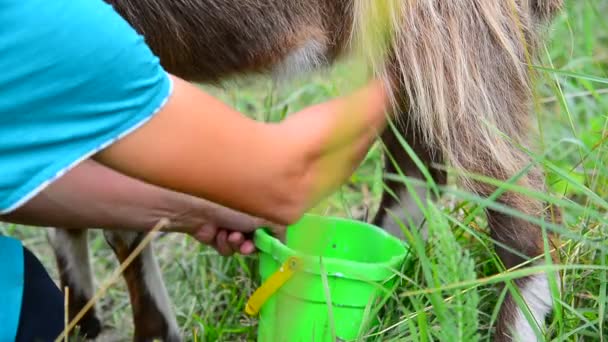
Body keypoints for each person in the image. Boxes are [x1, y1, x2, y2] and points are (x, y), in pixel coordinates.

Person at [0, 0, 391, 340]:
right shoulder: (54, 25)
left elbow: (17, 180)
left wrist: (194, 212)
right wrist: (406, 70)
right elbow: (287, 178)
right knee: (33, 307)